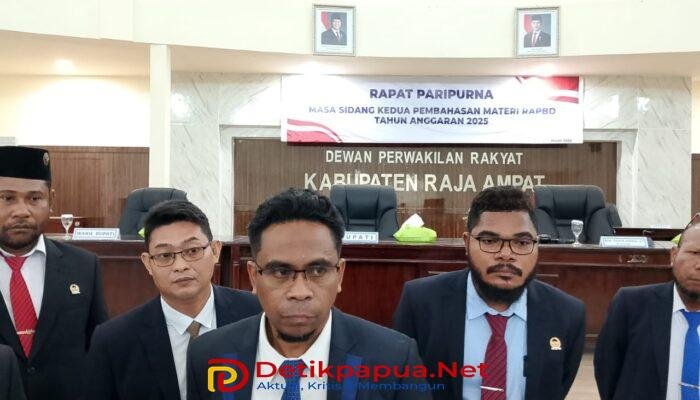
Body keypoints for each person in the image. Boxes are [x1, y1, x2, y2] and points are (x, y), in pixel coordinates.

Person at [188, 188, 431, 399]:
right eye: (280, 272)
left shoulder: (395, 361)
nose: (300, 292)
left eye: (317, 270)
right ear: (253, 276)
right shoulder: (208, 355)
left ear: (340, 274)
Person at [394, 185, 586, 400]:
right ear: (467, 243)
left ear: (537, 245)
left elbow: (557, 387)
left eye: (522, 242)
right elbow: (405, 386)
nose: (506, 254)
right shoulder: (421, 302)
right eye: (490, 241)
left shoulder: (567, 314)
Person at [84, 200, 261, 400]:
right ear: (147, 263)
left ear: (215, 250)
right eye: (165, 255)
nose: (180, 266)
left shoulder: (257, 315)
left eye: (192, 251)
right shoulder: (114, 340)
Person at [0, 146, 108, 400]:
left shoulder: (84, 266)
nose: (21, 211)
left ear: (51, 201)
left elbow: (100, 349)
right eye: (7, 198)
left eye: (34, 198)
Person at [594, 215, 700, 400]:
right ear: (673, 256)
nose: (699, 265)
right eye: (694, 253)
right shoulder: (631, 305)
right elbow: (607, 373)